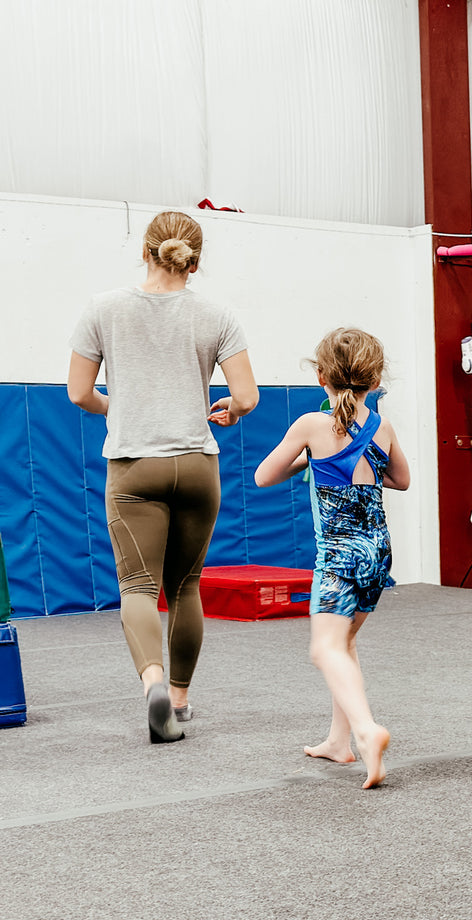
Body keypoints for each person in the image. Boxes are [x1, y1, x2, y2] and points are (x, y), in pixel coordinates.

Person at [68, 210, 258, 744]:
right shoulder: (218, 315)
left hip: (133, 467)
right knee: (186, 586)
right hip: (198, 464)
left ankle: (151, 682)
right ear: (194, 261)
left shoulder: (102, 310)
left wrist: (117, 408)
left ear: (146, 250)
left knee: (137, 585)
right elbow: (246, 397)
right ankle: (179, 698)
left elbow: (79, 393)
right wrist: (231, 412)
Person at [255, 328, 409, 789]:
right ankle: (338, 741)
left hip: (339, 557)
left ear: (320, 374)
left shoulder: (310, 425)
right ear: (375, 378)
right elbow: (400, 480)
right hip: (377, 553)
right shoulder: (382, 427)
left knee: (323, 649)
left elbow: (264, 476)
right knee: (344, 645)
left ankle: (366, 730)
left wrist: (309, 457)